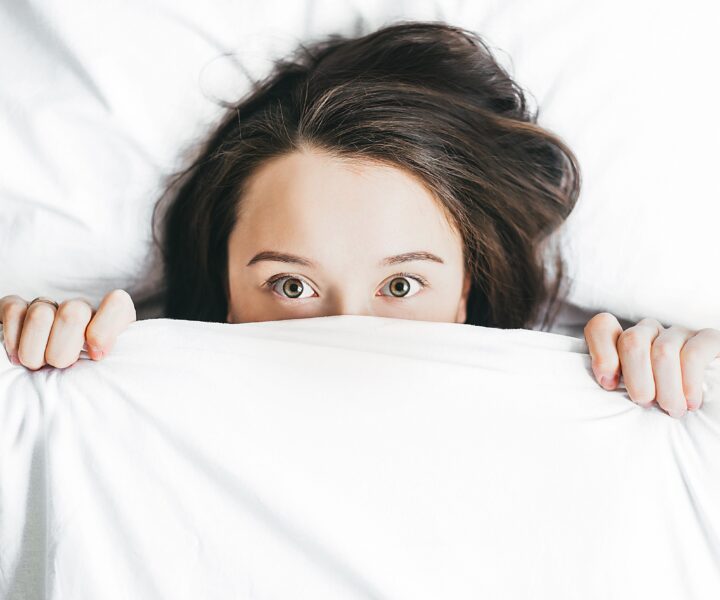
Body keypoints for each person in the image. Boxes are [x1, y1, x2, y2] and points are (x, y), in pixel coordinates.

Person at [1, 22, 718, 418]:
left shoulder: (592, 408)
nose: (347, 335)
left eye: (402, 286)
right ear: (222, 287)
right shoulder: (120, 405)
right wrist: (29, 361)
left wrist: (690, 379)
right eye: (290, 285)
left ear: (469, 289)